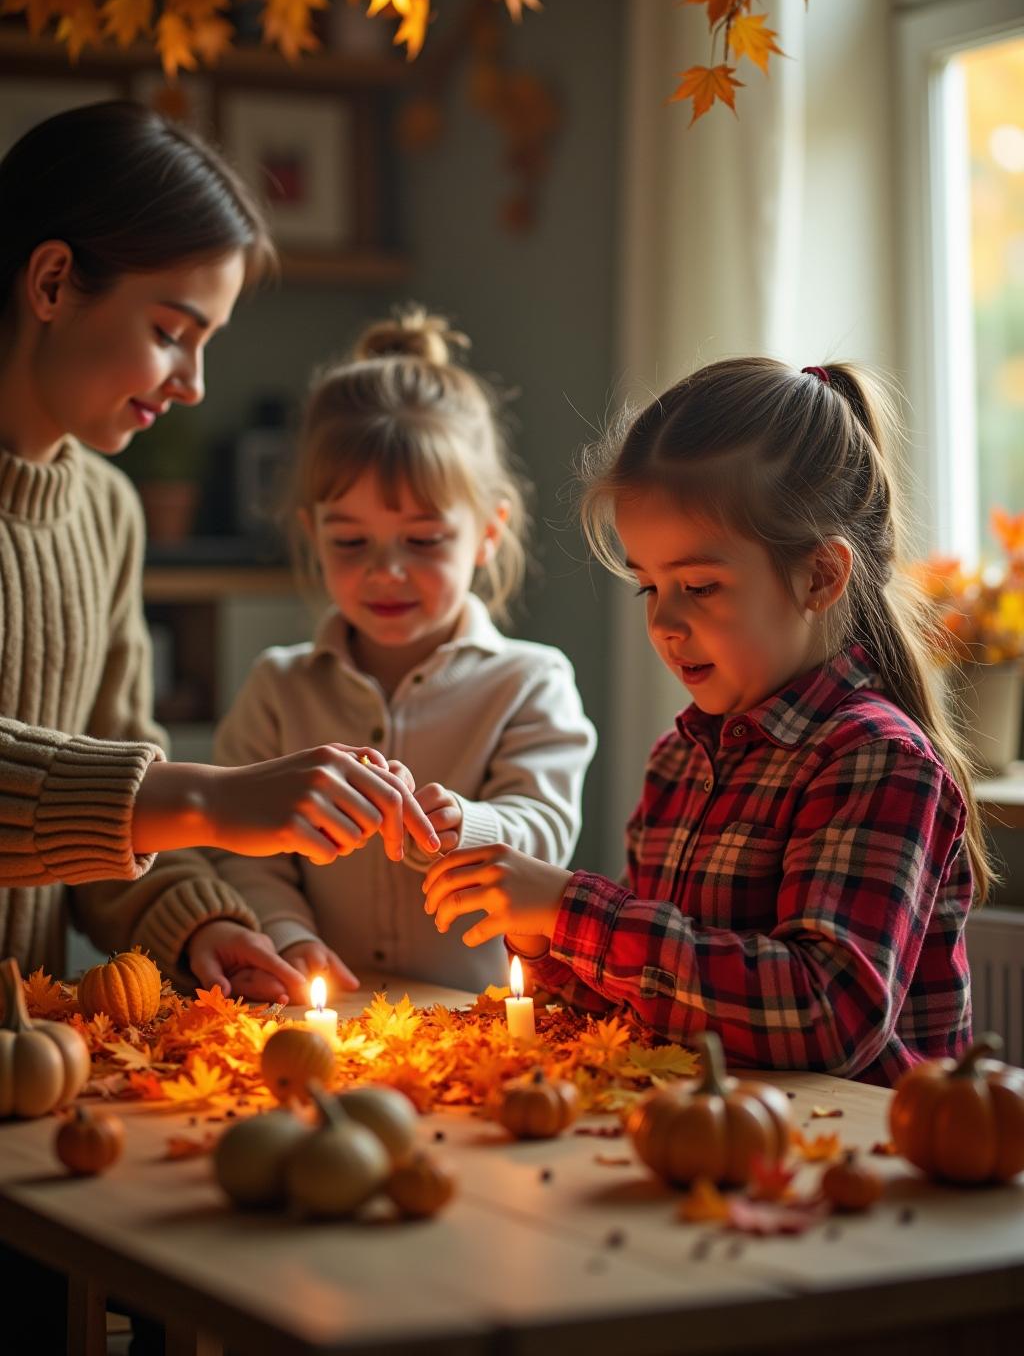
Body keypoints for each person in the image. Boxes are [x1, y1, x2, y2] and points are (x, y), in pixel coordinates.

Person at [423, 358, 992, 1086]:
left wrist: (574, 909)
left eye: (699, 586)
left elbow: (824, 1016)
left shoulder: (879, 761)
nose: (664, 620)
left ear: (820, 575)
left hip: (861, 1163)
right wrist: (547, 945)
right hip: (708, 1145)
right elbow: (663, 1001)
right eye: (648, 586)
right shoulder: (679, 759)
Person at [0, 100, 438, 1007]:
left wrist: (204, 925)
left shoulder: (109, 515)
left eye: (205, 345)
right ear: (50, 283)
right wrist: (210, 798)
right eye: (170, 332)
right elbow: (133, 796)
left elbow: (101, 828)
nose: (194, 386)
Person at [204, 307, 596, 994]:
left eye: (422, 540)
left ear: (487, 532)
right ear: (311, 532)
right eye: (350, 542)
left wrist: (468, 826)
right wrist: (290, 938)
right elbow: (245, 853)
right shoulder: (278, 686)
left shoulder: (532, 683)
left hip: (476, 1024)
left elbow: (545, 833)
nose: (386, 571)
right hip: (325, 1018)